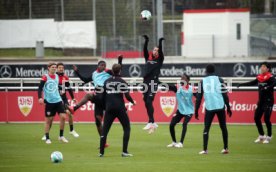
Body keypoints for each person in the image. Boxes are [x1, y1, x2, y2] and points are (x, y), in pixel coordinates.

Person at [68, 56, 123, 147]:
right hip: (98, 98)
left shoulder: (108, 72)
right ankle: (104, 142)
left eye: (104, 65)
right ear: (98, 66)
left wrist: (120, 61)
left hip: (105, 95)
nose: (104, 67)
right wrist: (77, 72)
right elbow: (85, 80)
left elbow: (118, 72)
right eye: (102, 65)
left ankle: (74, 108)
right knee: (98, 121)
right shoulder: (94, 74)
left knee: (88, 95)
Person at [99, 63, 135, 157]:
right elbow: (127, 96)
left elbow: (102, 97)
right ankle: (124, 152)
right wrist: (132, 102)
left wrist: (104, 107)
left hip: (109, 108)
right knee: (127, 128)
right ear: (119, 71)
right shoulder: (122, 81)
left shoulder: (106, 81)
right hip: (120, 108)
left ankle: (101, 153)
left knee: (105, 131)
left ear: (112, 70)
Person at [195, 64, 232, 154]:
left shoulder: (202, 81)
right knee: (223, 127)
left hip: (210, 107)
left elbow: (199, 98)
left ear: (206, 71)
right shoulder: (219, 79)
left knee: (206, 128)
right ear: (214, 71)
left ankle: (205, 150)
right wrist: (228, 108)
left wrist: (196, 111)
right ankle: (226, 148)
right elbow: (225, 95)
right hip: (220, 106)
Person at [237, 62, 275, 144]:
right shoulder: (259, 77)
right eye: (261, 66)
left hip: (268, 101)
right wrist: (241, 84)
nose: (262, 68)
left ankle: (269, 136)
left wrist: (267, 87)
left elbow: (274, 83)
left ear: (268, 69)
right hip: (260, 101)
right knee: (256, 118)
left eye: (264, 67)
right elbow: (251, 83)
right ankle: (261, 135)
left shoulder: (270, 77)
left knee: (266, 119)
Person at [41, 62, 79, 140]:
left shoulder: (65, 77)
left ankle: (70, 131)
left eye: (62, 68)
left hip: (63, 99)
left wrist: (73, 98)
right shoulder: (54, 77)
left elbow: (68, 88)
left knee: (69, 113)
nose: (61, 69)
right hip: (54, 99)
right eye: (59, 67)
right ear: (56, 68)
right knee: (50, 119)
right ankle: (46, 135)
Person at [38, 62, 68, 144]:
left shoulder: (57, 76)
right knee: (49, 120)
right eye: (53, 67)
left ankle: (61, 136)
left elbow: (56, 85)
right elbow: (40, 88)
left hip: (58, 100)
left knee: (63, 117)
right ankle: (47, 137)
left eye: (55, 67)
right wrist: (40, 98)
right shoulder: (45, 77)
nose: (54, 68)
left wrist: (61, 91)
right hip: (49, 102)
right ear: (48, 68)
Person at [142, 35, 165, 132]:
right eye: (154, 50)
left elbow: (161, 52)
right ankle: (152, 122)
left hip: (153, 83)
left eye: (157, 50)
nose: (155, 51)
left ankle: (150, 121)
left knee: (149, 101)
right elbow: (144, 50)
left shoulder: (159, 60)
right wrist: (146, 40)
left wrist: (160, 42)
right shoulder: (148, 58)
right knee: (146, 102)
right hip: (145, 83)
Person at [166, 74, 196, 148]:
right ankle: (174, 142)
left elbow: (198, 96)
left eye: (184, 78)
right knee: (171, 125)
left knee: (184, 124)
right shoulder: (178, 87)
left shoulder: (192, 88)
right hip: (180, 110)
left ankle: (181, 143)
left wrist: (197, 100)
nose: (182, 79)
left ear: (188, 80)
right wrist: (159, 82)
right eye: (181, 78)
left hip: (189, 110)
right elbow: (169, 86)